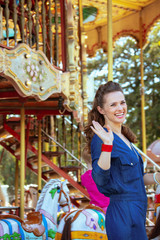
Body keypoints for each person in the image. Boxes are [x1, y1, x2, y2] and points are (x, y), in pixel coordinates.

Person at [84, 81, 160, 240]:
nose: (120, 108)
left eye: (122, 102)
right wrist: (107, 145)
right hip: (122, 212)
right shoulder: (102, 138)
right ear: (101, 109)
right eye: (113, 105)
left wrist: (156, 178)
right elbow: (99, 178)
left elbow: (135, 177)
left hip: (137, 211)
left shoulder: (126, 138)